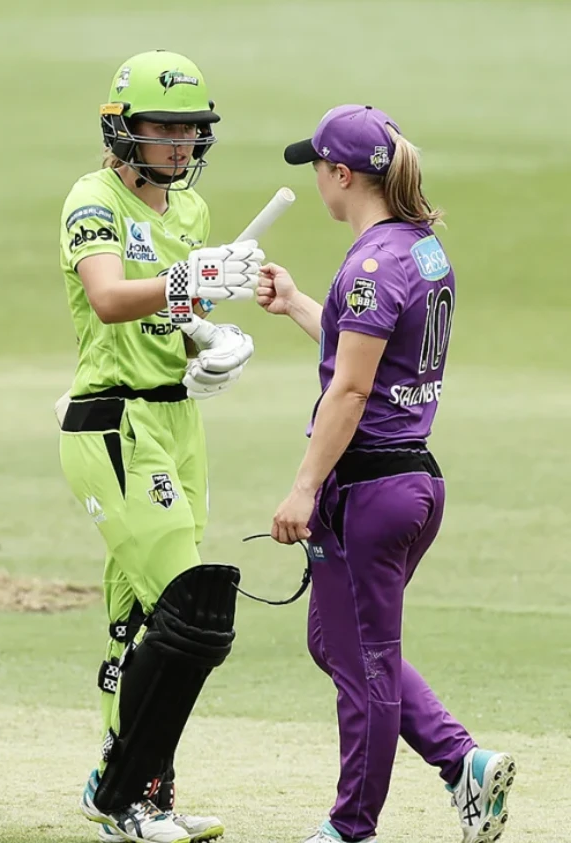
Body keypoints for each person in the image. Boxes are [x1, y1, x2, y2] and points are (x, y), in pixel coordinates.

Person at [257, 104, 517, 843]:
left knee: (364, 665)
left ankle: (350, 827)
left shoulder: (370, 265)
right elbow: (370, 351)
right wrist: (302, 304)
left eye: (316, 167)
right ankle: (461, 759)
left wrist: (304, 486)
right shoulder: (420, 250)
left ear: (341, 176)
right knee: (342, 644)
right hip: (412, 482)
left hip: (369, 489)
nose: (315, 179)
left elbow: (351, 388)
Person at [56, 50, 265, 843]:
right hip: (114, 424)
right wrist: (193, 281)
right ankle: (121, 792)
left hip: (178, 424)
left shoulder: (190, 215)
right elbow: (110, 298)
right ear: (122, 128)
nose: (180, 144)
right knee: (190, 610)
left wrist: (212, 340)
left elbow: (171, 325)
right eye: (164, 127)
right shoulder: (92, 198)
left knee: (137, 621)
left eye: (191, 130)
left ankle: (142, 790)